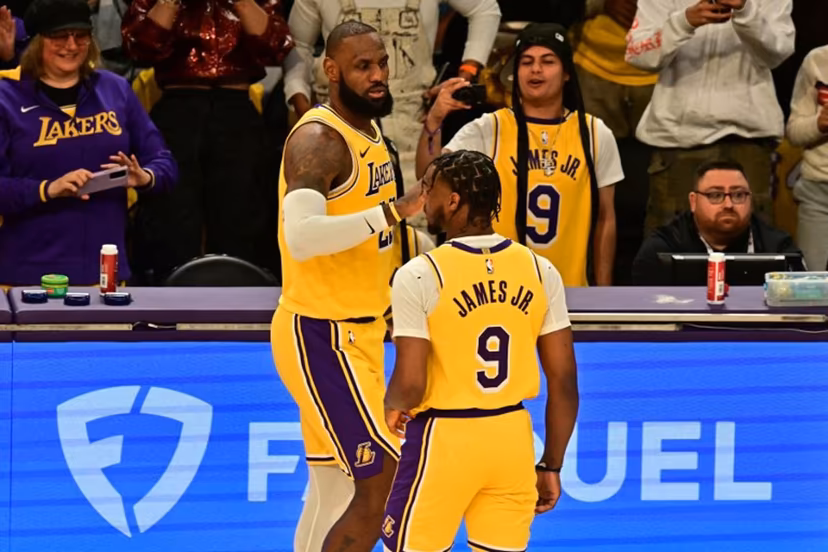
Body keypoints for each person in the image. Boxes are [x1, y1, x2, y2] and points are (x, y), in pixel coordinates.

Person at [269, 21, 425, 552]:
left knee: (333, 490)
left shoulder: (371, 132)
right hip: (320, 333)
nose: (378, 75)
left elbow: (374, 239)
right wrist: (392, 212)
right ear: (331, 71)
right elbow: (302, 237)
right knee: (383, 476)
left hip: (359, 333)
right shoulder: (319, 139)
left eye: (381, 63)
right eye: (364, 66)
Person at [381, 150, 578, 552]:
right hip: (511, 438)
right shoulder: (542, 270)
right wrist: (551, 464)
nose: (425, 198)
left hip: (444, 438)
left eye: (430, 190)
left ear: (453, 201)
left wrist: (392, 405)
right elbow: (564, 381)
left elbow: (411, 381)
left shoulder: (420, 273)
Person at [417, 22, 623, 287]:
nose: (536, 69)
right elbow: (427, 175)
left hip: (570, 290)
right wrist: (434, 121)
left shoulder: (595, 133)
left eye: (547, 61)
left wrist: (603, 292)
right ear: (515, 72)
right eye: (526, 62)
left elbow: (606, 218)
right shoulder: (490, 128)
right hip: (502, 291)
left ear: (567, 73)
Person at [0, 0, 177, 286]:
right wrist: (47, 189)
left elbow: (164, 162)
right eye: (59, 36)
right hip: (26, 275)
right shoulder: (6, 97)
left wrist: (143, 177)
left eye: (80, 35)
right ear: (35, 42)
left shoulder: (115, 89)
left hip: (103, 272)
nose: (71, 46)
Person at [283, 0, 501, 227]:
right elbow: (297, 45)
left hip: (413, 124)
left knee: (418, 226)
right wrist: (301, 103)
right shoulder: (317, 137)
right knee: (345, 220)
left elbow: (484, 8)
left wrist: (465, 75)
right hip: (344, 127)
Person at [121, 0, 294, 284]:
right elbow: (138, 46)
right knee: (172, 217)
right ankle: (168, 305)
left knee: (241, 215)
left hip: (236, 107)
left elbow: (276, 45)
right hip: (178, 107)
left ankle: (241, 305)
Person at [627, 0, 795, 233]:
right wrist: (684, 21)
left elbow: (779, 52)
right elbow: (638, 55)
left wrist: (744, 11)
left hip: (748, 139)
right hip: (678, 140)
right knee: (671, 254)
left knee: (749, 255)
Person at [631, 160, 805, 285]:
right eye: (715, 195)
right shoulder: (662, 248)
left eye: (738, 195)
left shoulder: (779, 248)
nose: (728, 204)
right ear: (693, 201)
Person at [786, 45, 828, 272]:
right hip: (819, 195)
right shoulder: (817, 60)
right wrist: (819, 124)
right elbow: (794, 131)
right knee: (812, 289)